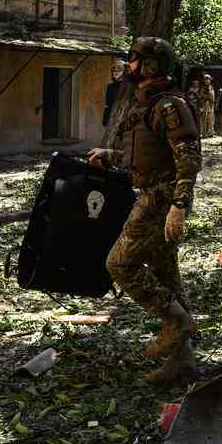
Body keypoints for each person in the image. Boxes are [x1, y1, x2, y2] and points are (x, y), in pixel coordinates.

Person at [88, 37, 201, 385]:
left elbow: (189, 159)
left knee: (119, 264)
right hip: (152, 192)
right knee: (167, 276)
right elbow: (145, 154)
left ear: (152, 65)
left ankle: (176, 320)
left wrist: (179, 206)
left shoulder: (170, 105)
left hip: (161, 198)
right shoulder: (147, 104)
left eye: (135, 60)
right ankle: (183, 362)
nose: (129, 65)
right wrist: (109, 156)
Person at [103, 59, 126, 128]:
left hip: (122, 117)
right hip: (111, 118)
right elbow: (108, 104)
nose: (116, 72)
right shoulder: (110, 86)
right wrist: (105, 119)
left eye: (119, 70)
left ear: (124, 72)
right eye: (114, 71)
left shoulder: (127, 86)